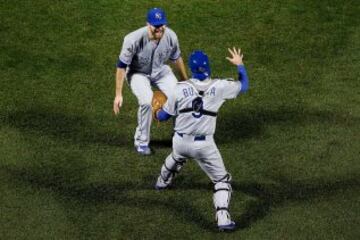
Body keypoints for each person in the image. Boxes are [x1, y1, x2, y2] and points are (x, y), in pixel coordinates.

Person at [154, 48, 249, 231]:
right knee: (222, 180)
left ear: (191, 69)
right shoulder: (220, 86)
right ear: (208, 67)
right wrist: (240, 65)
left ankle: (162, 180)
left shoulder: (179, 89)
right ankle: (222, 217)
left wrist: (156, 113)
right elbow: (244, 85)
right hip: (204, 146)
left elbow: (164, 116)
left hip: (180, 142)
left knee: (177, 155)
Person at [113, 8, 188, 155]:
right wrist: (118, 94)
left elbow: (177, 59)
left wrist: (185, 82)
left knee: (179, 96)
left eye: (162, 25)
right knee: (147, 101)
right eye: (156, 25)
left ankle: (178, 137)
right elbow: (121, 67)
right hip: (137, 73)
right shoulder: (132, 39)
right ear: (148, 24)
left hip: (160, 71)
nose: (159, 28)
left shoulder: (171, 36)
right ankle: (141, 141)